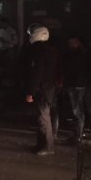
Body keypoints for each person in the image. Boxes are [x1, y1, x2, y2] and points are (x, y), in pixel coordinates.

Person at [22, 24, 59, 155]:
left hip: (41, 89)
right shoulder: (52, 50)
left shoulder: (37, 50)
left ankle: (48, 146)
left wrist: (30, 92)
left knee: (43, 118)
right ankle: (42, 144)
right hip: (49, 88)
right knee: (44, 117)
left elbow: (36, 72)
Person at [62, 35, 91, 143]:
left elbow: (76, 70)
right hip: (77, 84)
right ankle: (78, 133)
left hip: (77, 85)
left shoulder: (79, 55)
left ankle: (78, 135)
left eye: (72, 43)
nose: (70, 45)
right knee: (77, 109)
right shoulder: (80, 54)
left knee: (77, 110)